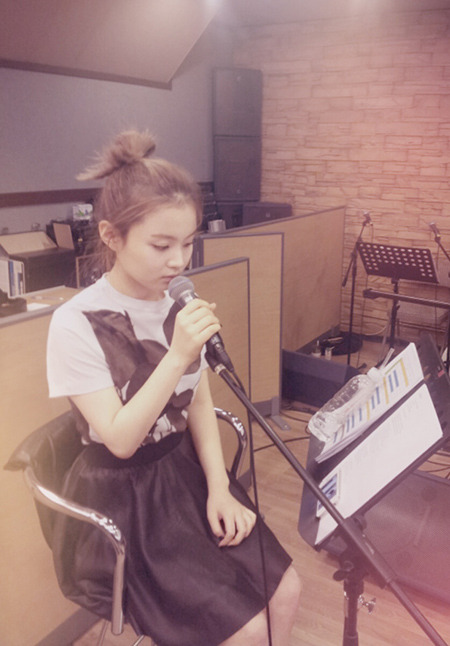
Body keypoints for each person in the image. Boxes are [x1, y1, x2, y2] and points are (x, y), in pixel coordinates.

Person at [46, 130, 301, 646]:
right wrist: (179, 353)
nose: (179, 261)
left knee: (287, 590)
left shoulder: (174, 302)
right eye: (161, 246)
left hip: (182, 472)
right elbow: (121, 439)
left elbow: (197, 399)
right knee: (247, 631)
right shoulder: (75, 323)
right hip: (125, 498)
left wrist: (218, 486)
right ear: (111, 236)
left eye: (188, 243)